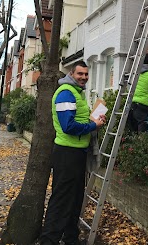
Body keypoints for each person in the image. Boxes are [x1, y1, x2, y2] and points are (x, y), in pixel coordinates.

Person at [39, 61, 106, 245]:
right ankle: (48, 241)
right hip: (67, 154)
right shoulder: (66, 93)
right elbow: (68, 126)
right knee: (61, 200)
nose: (84, 77)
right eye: (80, 74)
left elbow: (79, 119)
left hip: (77, 153)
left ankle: (71, 238)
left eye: (86, 74)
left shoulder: (77, 93)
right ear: (71, 74)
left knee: (75, 199)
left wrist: (95, 119)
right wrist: (94, 125)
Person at [128, 53, 148, 133]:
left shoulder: (137, 73)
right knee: (143, 132)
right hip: (144, 107)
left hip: (134, 105)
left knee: (135, 131)